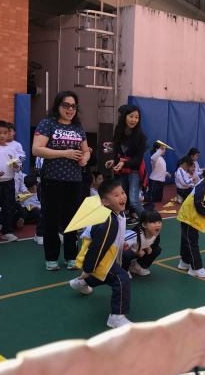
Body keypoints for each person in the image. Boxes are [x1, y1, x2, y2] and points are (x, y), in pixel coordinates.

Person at [32, 91, 90, 271]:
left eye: (73, 106)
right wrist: (65, 153)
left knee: (72, 220)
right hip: (52, 180)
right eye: (66, 105)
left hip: (74, 181)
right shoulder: (47, 123)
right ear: (58, 106)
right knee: (52, 219)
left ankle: (71, 257)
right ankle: (51, 258)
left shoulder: (78, 127)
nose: (70, 109)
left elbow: (86, 150)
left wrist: (85, 158)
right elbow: (37, 149)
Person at [69, 179, 132, 329]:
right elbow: (97, 248)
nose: (122, 197)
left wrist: (121, 241)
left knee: (105, 276)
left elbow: (112, 236)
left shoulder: (118, 213)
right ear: (105, 202)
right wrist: (88, 269)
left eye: (123, 192)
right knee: (121, 278)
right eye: (116, 195)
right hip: (98, 257)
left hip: (106, 254)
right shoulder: (108, 221)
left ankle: (82, 283)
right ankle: (116, 317)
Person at [109, 104, 147, 226]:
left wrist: (123, 163)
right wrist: (113, 160)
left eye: (137, 117)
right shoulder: (118, 130)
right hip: (121, 169)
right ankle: (120, 223)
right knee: (120, 198)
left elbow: (138, 159)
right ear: (124, 116)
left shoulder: (141, 136)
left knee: (134, 200)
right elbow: (116, 147)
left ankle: (147, 222)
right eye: (131, 116)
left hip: (134, 170)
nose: (134, 120)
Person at [122, 209, 163, 277]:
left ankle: (136, 267)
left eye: (159, 222)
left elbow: (153, 244)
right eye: (153, 222)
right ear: (144, 225)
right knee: (128, 253)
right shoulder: (135, 235)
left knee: (156, 249)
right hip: (121, 254)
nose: (158, 225)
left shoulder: (155, 234)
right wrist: (136, 252)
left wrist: (149, 248)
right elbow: (119, 245)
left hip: (138, 251)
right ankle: (123, 270)